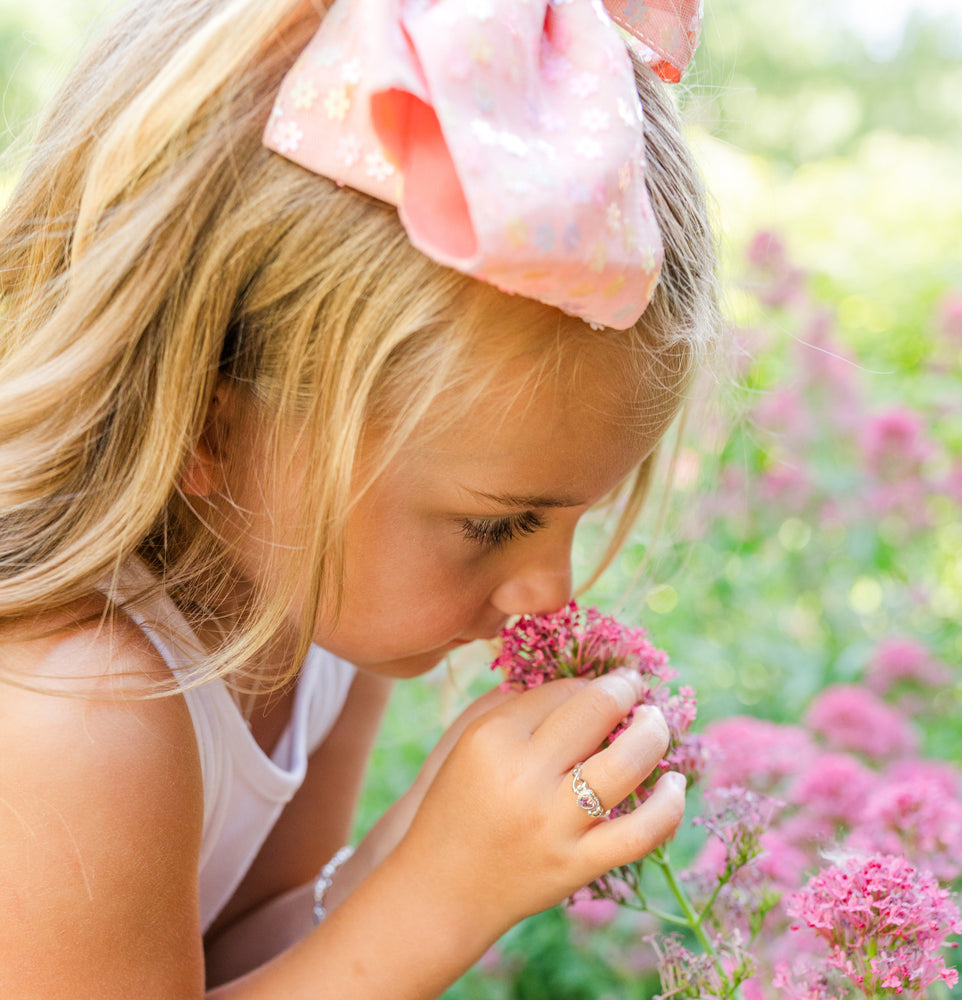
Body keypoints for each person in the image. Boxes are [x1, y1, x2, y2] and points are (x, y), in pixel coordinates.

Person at [0, 0, 718, 996]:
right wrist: (444, 892)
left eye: (572, 517)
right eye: (496, 522)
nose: (549, 592)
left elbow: (246, 946)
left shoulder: (309, 616)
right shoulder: (75, 711)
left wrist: (425, 840)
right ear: (207, 427)